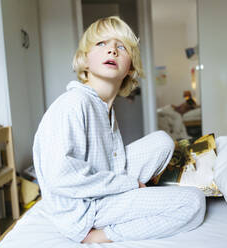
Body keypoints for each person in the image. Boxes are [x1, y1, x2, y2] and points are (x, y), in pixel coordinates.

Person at [32, 16, 205, 244]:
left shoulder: (104, 107)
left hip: (100, 187)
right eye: (101, 44)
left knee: (163, 141)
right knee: (193, 202)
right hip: (83, 209)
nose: (112, 50)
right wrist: (131, 185)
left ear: (130, 68)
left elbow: (109, 160)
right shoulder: (75, 103)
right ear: (84, 60)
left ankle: (131, 198)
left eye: (121, 47)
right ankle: (99, 235)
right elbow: (61, 176)